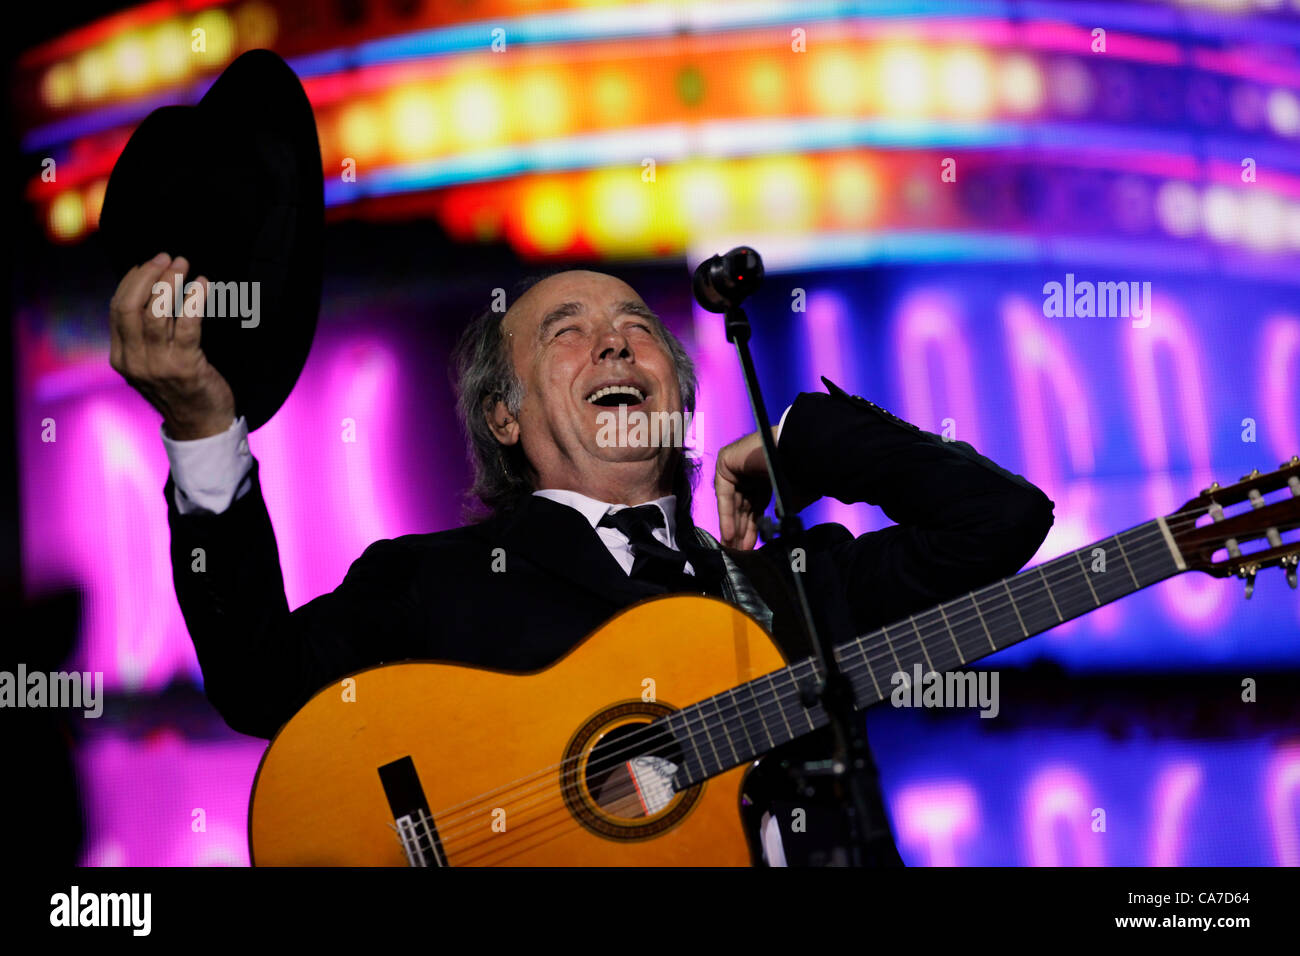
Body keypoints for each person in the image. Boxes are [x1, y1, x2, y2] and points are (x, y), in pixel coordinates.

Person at [108, 253, 1055, 866]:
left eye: (639, 327)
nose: (613, 339)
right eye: (567, 330)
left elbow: (1001, 523)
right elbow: (256, 679)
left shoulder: (792, 586)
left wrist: (810, 435)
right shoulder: (427, 582)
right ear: (505, 417)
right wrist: (201, 428)